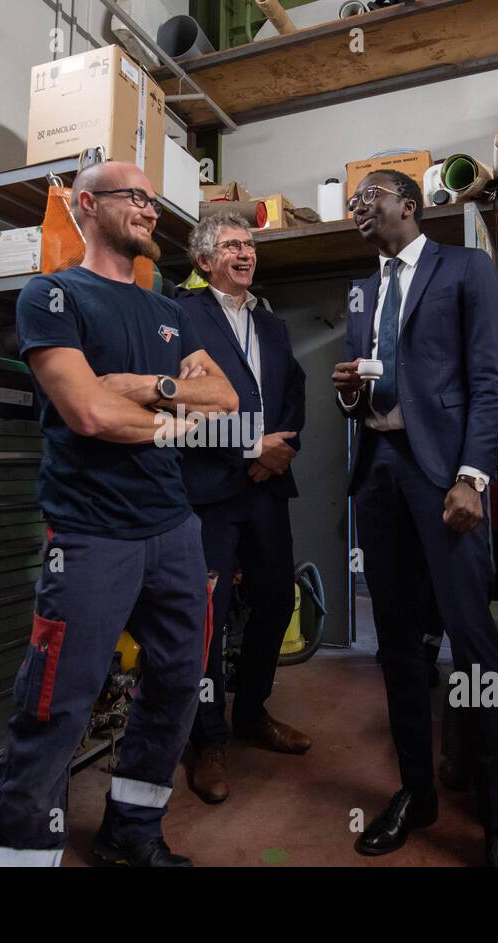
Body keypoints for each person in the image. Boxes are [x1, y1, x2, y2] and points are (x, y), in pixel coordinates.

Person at [0, 161, 238, 867]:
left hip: (173, 527)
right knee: (59, 697)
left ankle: (133, 832)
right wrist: (172, 416)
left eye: (155, 200)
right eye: (136, 198)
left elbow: (228, 401)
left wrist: (145, 385)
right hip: (89, 532)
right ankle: (17, 853)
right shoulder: (52, 296)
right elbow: (87, 411)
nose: (151, 211)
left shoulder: (168, 310)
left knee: (181, 682)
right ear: (89, 205)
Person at [331, 169, 498, 866]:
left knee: (473, 643)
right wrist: (348, 391)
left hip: (443, 475)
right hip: (378, 472)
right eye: (353, 201)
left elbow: (487, 380)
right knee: (398, 647)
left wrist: (473, 476)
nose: (357, 209)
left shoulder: (465, 268)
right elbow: (368, 384)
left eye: (367, 199)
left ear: (407, 206)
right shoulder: (362, 290)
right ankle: (418, 793)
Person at [176, 213, 309, 805]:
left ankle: (251, 711)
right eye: (231, 245)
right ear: (205, 261)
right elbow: (184, 403)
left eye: (249, 244)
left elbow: (295, 392)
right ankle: (207, 738)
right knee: (210, 612)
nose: (245, 252)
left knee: (278, 595)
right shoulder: (182, 314)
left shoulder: (272, 322)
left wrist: (283, 449)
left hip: (266, 488)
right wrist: (248, 450)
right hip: (211, 489)